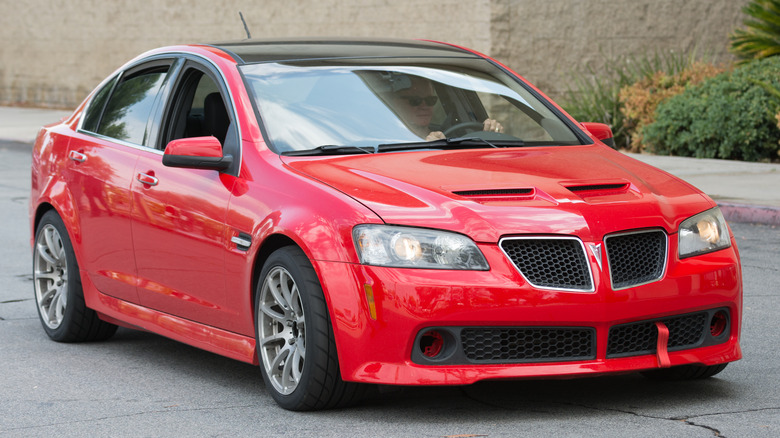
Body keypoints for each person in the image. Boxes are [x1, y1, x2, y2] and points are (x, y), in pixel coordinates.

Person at [387, 74, 503, 141]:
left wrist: (492, 134)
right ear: (396, 103)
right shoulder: (387, 140)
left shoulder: (455, 135)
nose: (424, 106)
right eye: (415, 101)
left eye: (430, 100)